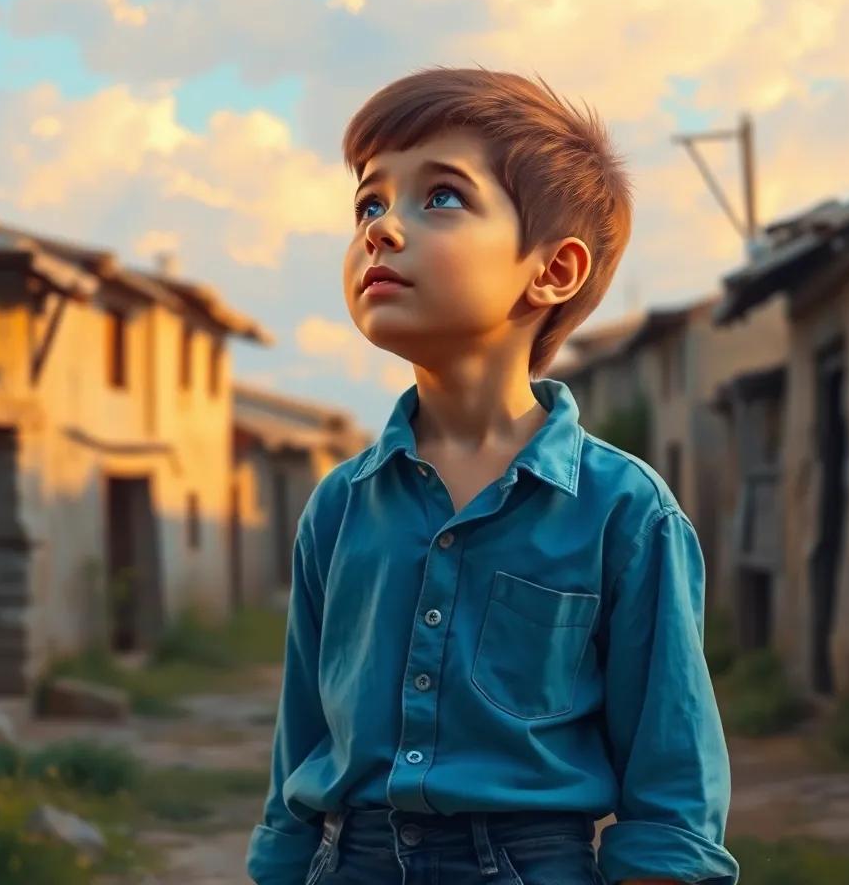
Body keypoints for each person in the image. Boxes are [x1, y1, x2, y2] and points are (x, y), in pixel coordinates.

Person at [245, 66, 740, 885]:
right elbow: (300, 744)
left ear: (552, 271)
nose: (382, 229)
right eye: (369, 202)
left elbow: (673, 787)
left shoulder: (624, 512)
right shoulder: (340, 507)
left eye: (440, 197)